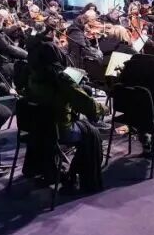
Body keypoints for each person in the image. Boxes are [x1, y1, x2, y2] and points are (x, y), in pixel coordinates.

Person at [25, 19, 105, 192]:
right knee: (92, 134)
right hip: (58, 128)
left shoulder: (31, 76)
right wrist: (102, 109)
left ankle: (52, 170)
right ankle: (72, 176)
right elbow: (85, 104)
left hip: (37, 127)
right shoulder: (59, 79)